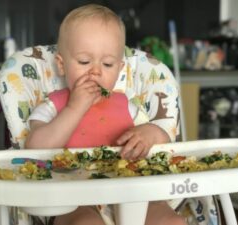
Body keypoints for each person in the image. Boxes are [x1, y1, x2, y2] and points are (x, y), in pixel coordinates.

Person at [25, 4, 186, 225]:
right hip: (74, 200)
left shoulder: (127, 107)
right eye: (84, 62)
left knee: (172, 221)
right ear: (61, 65)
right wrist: (74, 109)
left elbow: (161, 141)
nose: (96, 71)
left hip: (131, 195)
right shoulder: (53, 106)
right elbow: (35, 149)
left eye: (107, 64)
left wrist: (150, 133)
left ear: (119, 69)